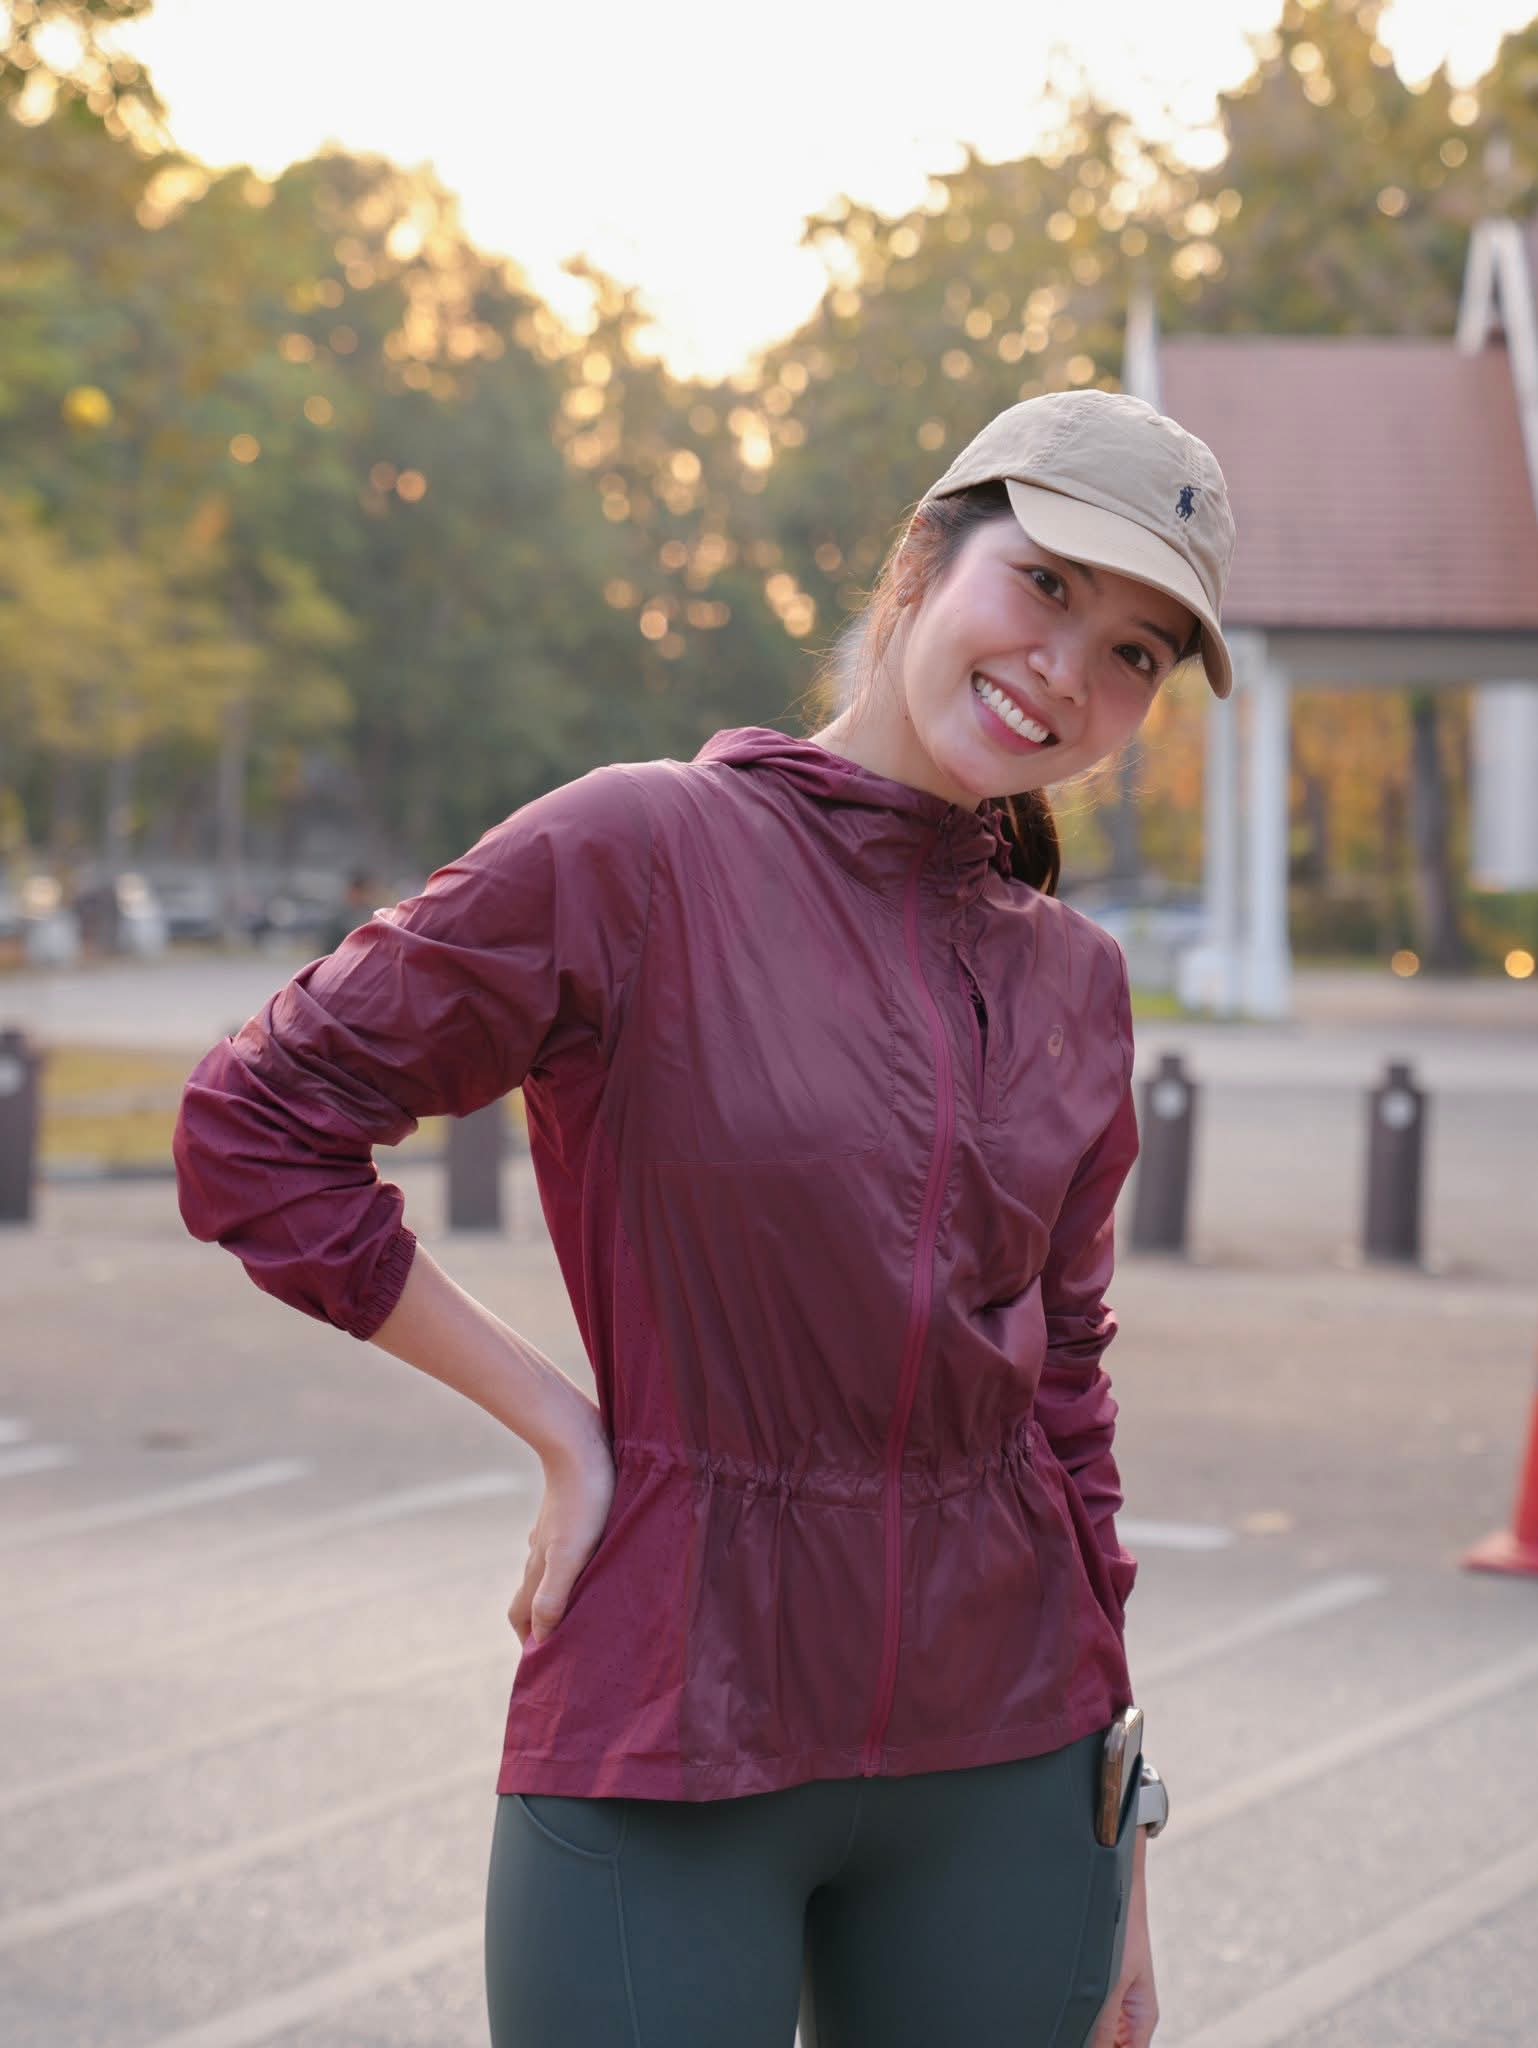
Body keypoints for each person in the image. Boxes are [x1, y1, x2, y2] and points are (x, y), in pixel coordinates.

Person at [172, 386, 1236, 2048]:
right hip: (670, 1719)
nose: (1065, 670)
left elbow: (1064, 1405)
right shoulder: (636, 851)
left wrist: (1122, 1840)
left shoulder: (1074, 983)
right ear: (919, 563)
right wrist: (564, 1429)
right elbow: (256, 1128)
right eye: (1043, 585)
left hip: (1010, 1766)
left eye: (1132, 654)